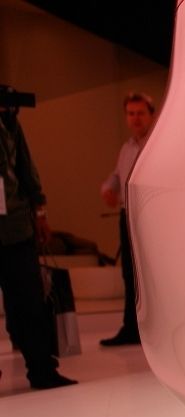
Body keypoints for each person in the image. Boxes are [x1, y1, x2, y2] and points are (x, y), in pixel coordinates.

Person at [0, 86, 77, 389]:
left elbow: (25, 168)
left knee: (30, 301)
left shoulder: (9, 121)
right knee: (26, 301)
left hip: (17, 226)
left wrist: (40, 211)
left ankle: (42, 368)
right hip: (15, 225)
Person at [99, 92, 154, 346]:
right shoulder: (127, 147)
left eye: (140, 113)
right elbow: (117, 175)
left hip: (149, 218)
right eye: (131, 114)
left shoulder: (156, 144)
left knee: (149, 275)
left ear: (151, 115)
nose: (135, 118)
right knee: (129, 274)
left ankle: (151, 330)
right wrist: (108, 188)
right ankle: (131, 328)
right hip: (127, 216)